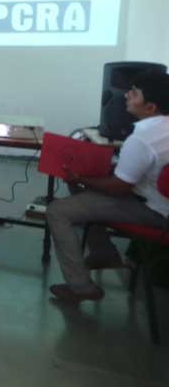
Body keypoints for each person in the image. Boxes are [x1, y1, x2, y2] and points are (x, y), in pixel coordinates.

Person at [46, 70, 169, 303]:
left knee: (57, 211)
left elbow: (119, 188)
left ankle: (82, 288)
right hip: (157, 200)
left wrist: (80, 177)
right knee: (81, 188)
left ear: (150, 107)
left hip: (154, 212)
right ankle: (103, 251)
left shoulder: (142, 138)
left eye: (134, 93)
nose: (127, 95)